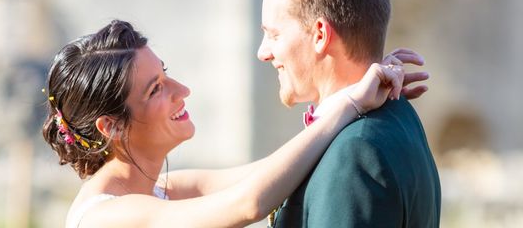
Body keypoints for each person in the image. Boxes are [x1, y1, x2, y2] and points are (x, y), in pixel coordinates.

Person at [42, 19, 428, 228]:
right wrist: (349, 103)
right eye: (156, 89)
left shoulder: (164, 189)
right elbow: (250, 202)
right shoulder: (107, 218)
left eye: (167, 73)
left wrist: (353, 80)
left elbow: (271, 172)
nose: (183, 90)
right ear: (111, 127)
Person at [257, 0, 441, 227]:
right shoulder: (399, 115)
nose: (263, 52)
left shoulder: (355, 153)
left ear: (320, 35)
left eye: (274, 34)